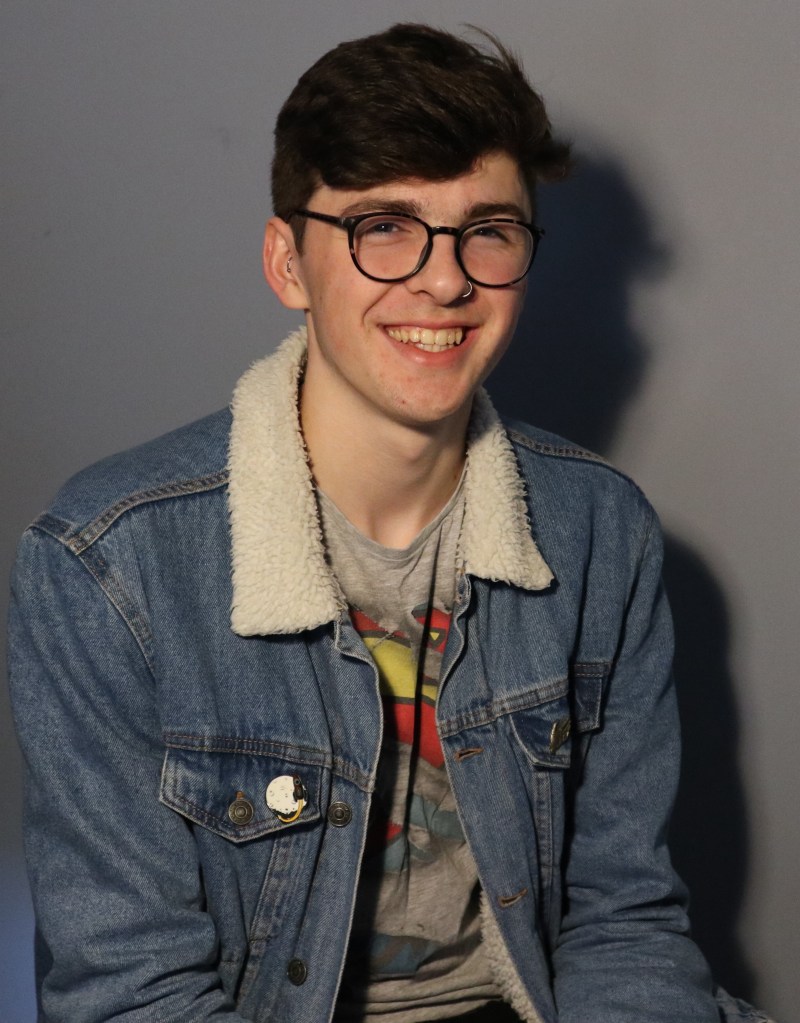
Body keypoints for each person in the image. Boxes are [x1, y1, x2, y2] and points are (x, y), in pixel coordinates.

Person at [8, 22, 773, 1023]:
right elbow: (130, 992)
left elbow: (623, 921)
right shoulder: (106, 564)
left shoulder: (599, 530)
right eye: (384, 227)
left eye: (487, 230)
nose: (445, 279)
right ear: (288, 262)